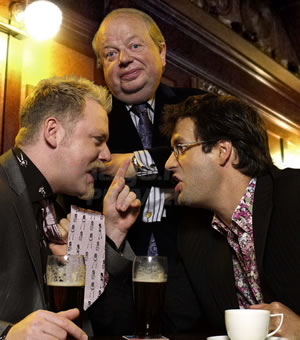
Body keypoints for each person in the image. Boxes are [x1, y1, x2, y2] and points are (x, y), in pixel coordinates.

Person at [85, 7, 207, 335]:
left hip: (195, 287)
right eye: (111, 53)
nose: (123, 59)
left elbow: (213, 161)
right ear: (102, 66)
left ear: (162, 51)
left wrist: (125, 164)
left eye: (135, 46)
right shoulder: (90, 119)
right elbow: (82, 178)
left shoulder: (194, 105)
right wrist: (168, 172)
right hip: (112, 293)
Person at [0, 75, 140, 340]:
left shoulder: (59, 213)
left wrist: (111, 237)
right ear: (53, 132)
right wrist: (7, 335)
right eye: (98, 139)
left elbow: (107, 321)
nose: (107, 155)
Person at [163, 93, 300, 339]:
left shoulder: (294, 197)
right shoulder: (192, 237)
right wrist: (113, 240)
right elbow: (173, 327)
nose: (168, 163)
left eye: (180, 148)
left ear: (222, 150)